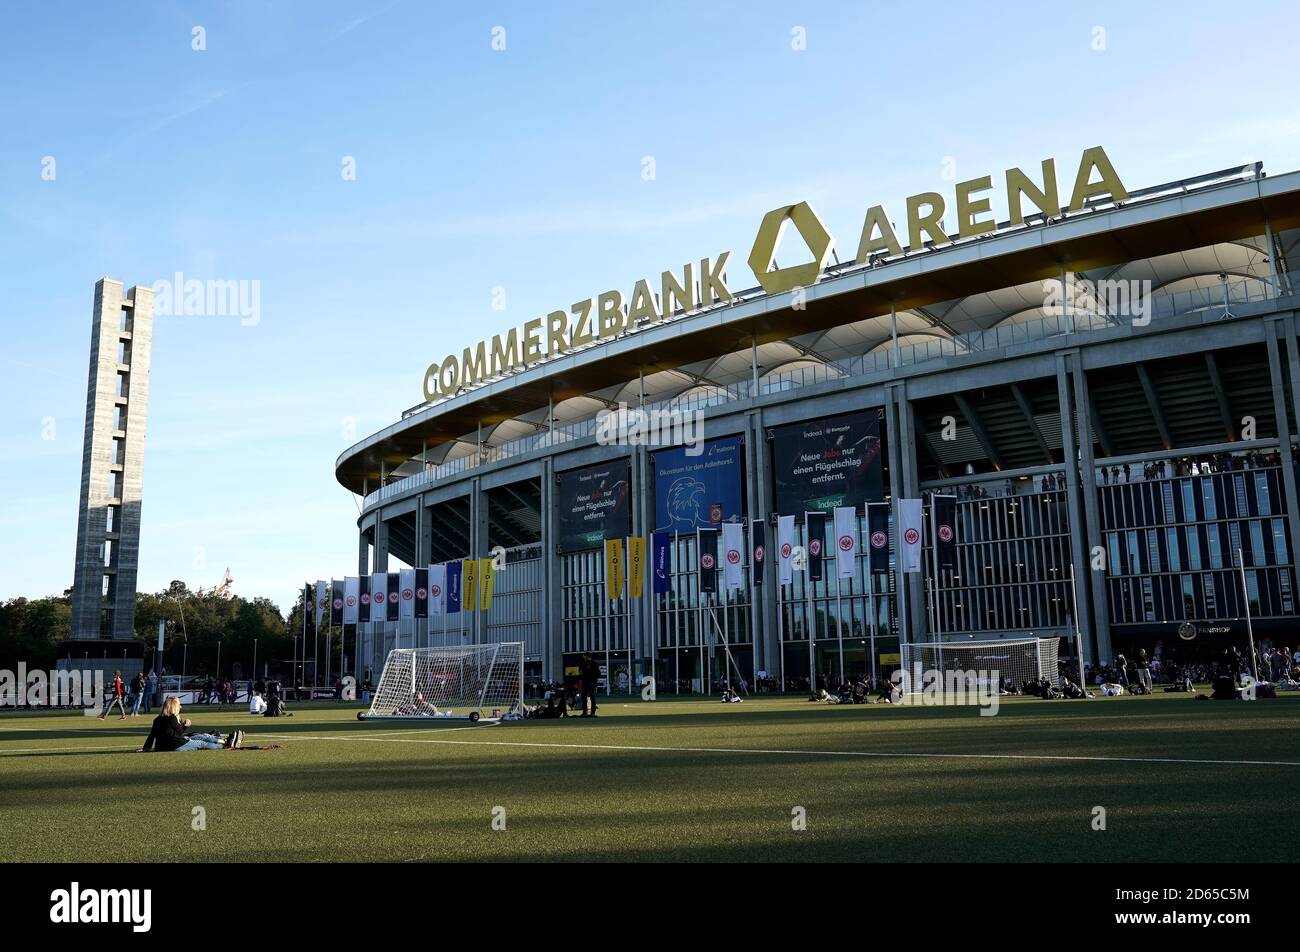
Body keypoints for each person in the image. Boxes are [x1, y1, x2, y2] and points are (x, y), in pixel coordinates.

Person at [140, 696, 243, 751]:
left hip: (162, 747)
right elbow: (179, 732)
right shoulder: (172, 718)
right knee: (202, 743)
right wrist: (185, 725)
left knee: (199, 736)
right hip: (175, 745)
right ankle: (225, 745)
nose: (180, 707)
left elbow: (152, 735)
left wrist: (146, 747)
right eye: (179, 705)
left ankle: (224, 741)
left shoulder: (157, 719)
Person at [579, 653, 600, 717]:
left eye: (584, 657)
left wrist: (593, 680)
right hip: (586, 682)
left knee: (592, 697)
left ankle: (592, 712)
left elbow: (597, 673)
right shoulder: (585, 664)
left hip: (591, 682)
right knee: (584, 697)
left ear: (587, 657)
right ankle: (585, 712)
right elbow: (581, 671)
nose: (584, 658)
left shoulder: (594, 664)